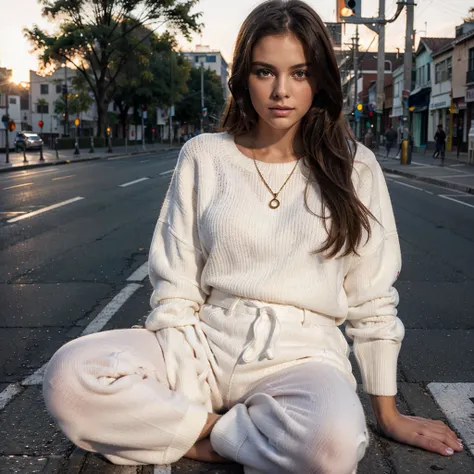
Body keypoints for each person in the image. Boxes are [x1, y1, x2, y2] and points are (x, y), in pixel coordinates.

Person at [42, 1, 464, 473]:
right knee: (69, 375)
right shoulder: (204, 155)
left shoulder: (356, 166)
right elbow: (177, 281)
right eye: (265, 72)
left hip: (302, 357)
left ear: (319, 79)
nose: (281, 91)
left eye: (299, 73)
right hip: (201, 345)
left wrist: (387, 414)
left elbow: (372, 298)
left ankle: (187, 432)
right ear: (243, 76)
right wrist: (183, 371)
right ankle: (225, 434)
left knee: (335, 445)